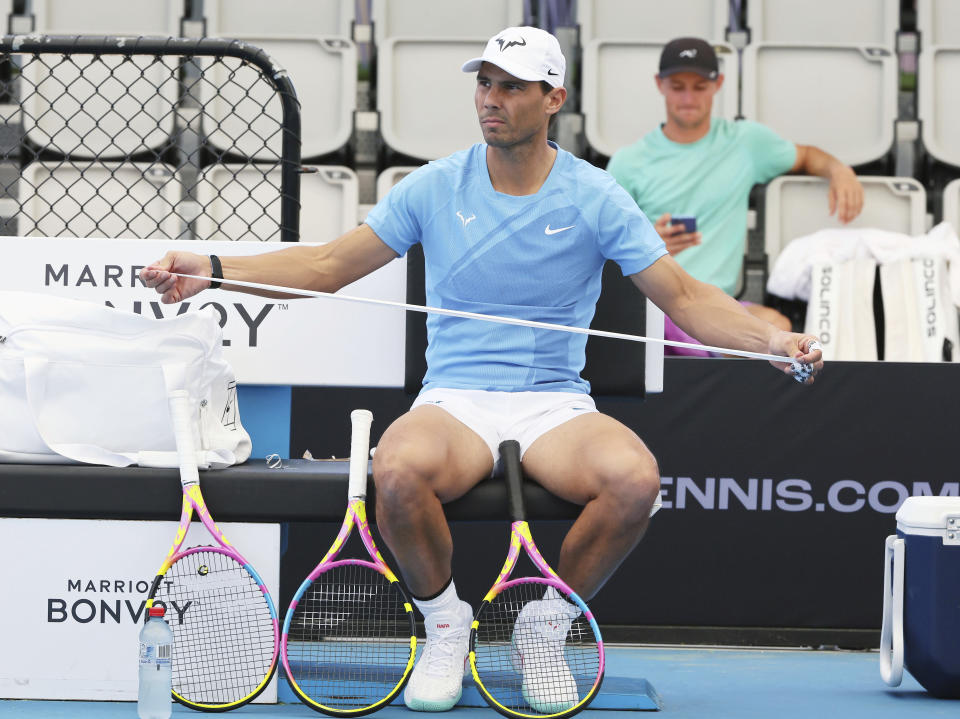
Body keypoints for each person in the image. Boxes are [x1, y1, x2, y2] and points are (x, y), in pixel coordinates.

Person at [141, 27, 823, 713]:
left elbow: (685, 297)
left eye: (512, 86)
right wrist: (215, 269)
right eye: (485, 82)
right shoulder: (435, 186)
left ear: (553, 97)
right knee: (399, 470)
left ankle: (546, 625)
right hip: (456, 401)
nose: (491, 99)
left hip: (555, 405)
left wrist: (773, 338)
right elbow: (325, 267)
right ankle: (444, 621)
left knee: (635, 478)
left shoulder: (596, 194)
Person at [607, 37, 865, 356]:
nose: (688, 97)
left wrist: (839, 170)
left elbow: (808, 156)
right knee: (746, 339)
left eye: (700, 86)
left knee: (777, 325)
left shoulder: (747, 143)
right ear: (660, 85)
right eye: (677, 86)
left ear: (719, 85)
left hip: (719, 306)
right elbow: (602, 254)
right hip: (653, 305)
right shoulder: (629, 162)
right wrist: (647, 247)